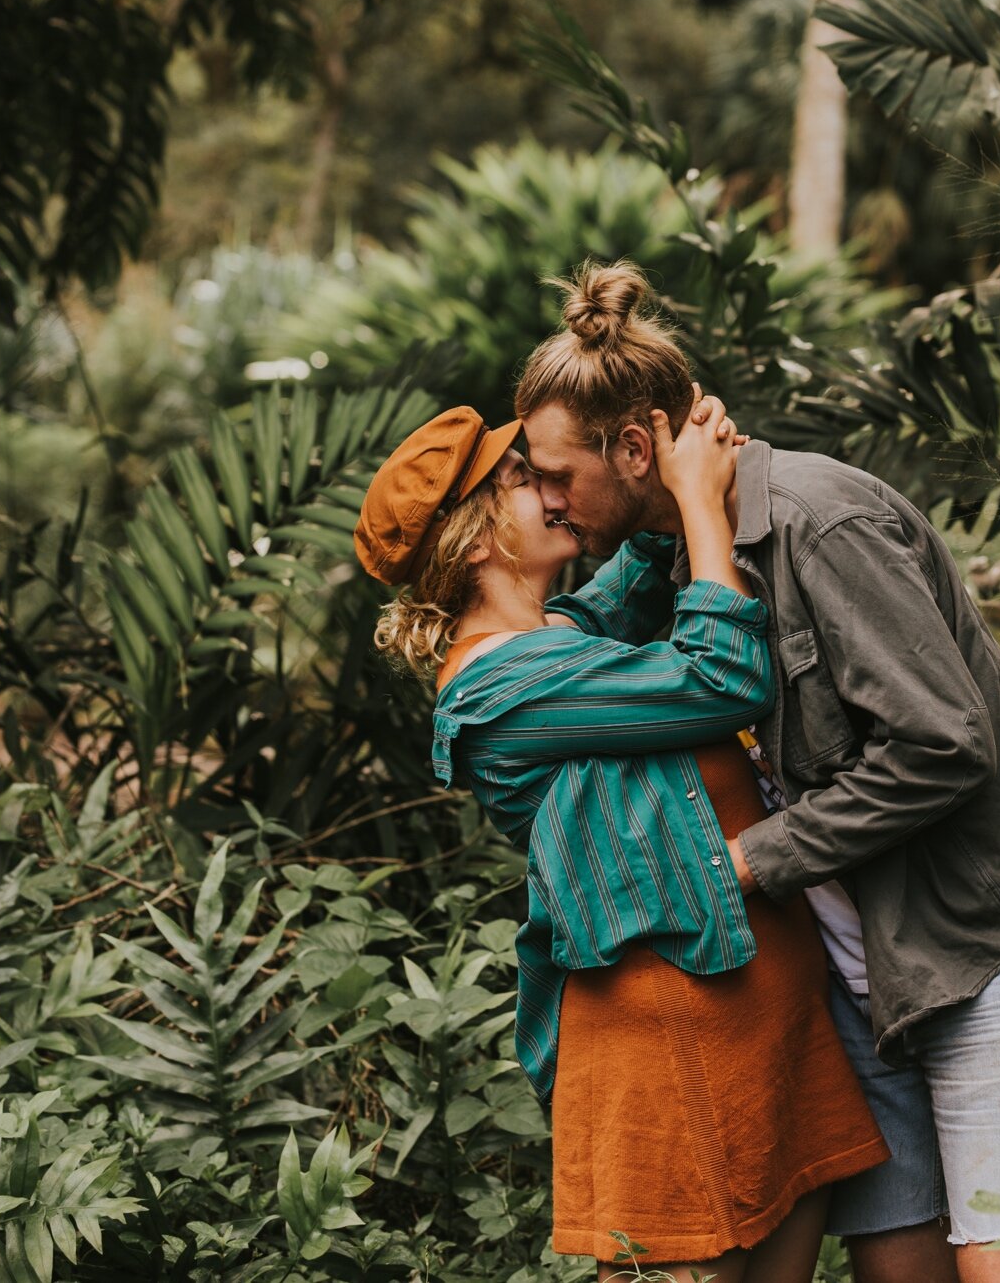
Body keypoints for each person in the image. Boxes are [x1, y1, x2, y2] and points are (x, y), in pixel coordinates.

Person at [517, 262, 1000, 1283]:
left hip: (979, 949)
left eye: (554, 476)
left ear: (635, 447)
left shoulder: (820, 520)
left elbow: (944, 742)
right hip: (865, 979)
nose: (545, 501)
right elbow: (555, 641)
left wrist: (748, 865)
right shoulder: (686, 556)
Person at [355, 398, 888, 1281]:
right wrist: (704, 509)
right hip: (673, 1035)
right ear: (481, 535)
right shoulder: (499, 688)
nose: (556, 496)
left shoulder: (552, 642)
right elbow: (723, 676)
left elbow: (629, 576)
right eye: (527, 483)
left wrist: (666, 464)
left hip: (760, 1009)